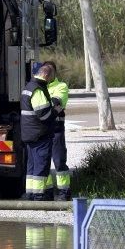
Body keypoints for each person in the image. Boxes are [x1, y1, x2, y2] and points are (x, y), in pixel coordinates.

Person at [21, 63, 60, 200]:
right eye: (52, 78)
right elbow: (43, 114)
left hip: (30, 134)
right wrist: (56, 110)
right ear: (46, 75)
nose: (51, 80)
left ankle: (31, 194)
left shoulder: (29, 87)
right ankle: (38, 197)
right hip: (40, 135)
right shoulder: (38, 89)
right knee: (41, 166)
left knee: (32, 167)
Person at [44, 61, 70, 200]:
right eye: (45, 71)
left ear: (54, 73)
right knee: (44, 162)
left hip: (56, 130)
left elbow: (57, 103)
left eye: (50, 71)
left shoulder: (61, 86)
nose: (48, 74)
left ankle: (64, 193)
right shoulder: (39, 87)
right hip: (42, 131)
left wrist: (41, 106)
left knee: (59, 162)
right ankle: (47, 192)